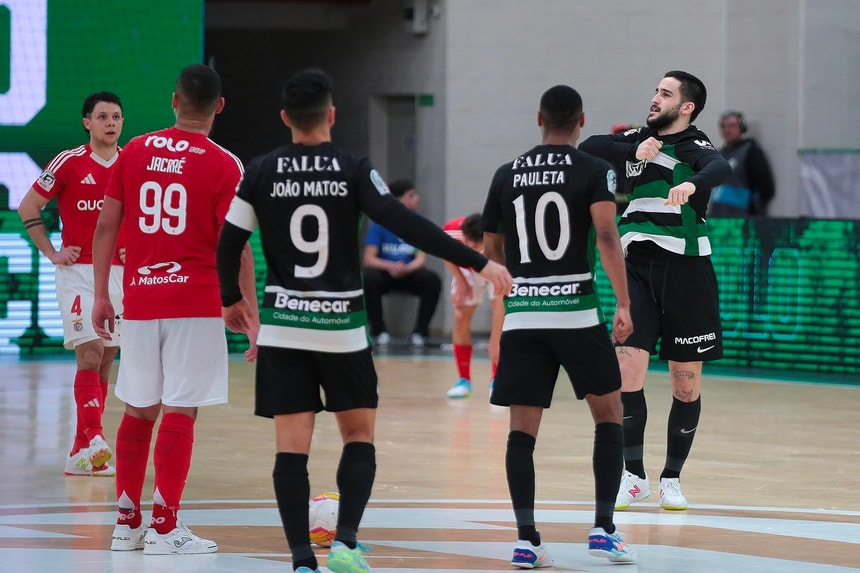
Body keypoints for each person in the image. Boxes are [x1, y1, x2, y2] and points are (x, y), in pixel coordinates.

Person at [215, 67, 512, 573]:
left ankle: (302, 560)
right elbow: (407, 223)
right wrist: (480, 260)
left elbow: (228, 244)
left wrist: (229, 300)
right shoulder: (351, 168)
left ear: (285, 117)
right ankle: (346, 543)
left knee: (291, 451)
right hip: (342, 332)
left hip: (285, 328)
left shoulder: (260, 171)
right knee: (358, 437)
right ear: (332, 114)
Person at [91, 64, 257, 555]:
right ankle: (165, 528)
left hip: (140, 298)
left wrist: (103, 292)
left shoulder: (135, 149)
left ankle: (126, 524)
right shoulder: (225, 163)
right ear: (219, 106)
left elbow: (105, 227)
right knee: (180, 410)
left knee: (138, 408)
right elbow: (238, 245)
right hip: (197, 301)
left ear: (173, 100)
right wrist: (247, 310)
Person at [483, 84, 638, 566]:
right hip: (576, 313)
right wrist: (625, 303)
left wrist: (520, 288)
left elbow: (491, 249)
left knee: (521, 433)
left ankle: (527, 539)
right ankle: (604, 528)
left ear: (538, 119)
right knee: (610, 416)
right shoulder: (595, 170)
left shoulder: (506, 173)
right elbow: (608, 235)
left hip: (524, 317)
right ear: (582, 121)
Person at [580, 70, 732, 512]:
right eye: (655, 90)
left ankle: (672, 479)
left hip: (687, 272)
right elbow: (590, 147)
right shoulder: (636, 138)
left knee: (686, 385)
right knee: (627, 375)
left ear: (686, 107)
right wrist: (634, 148)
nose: (654, 98)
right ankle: (633, 475)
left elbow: (720, 166)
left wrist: (693, 184)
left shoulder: (696, 146)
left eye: (665, 93)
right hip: (637, 273)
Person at [17, 91, 125, 477]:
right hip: (78, 274)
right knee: (90, 353)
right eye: (102, 117)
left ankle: (80, 452)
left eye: (116, 117)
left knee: (106, 362)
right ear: (87, 123)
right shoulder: (68, 162)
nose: (110, 123)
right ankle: (95, 437)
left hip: (118, 276)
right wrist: (51, 252)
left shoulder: (131, 164)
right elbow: (28, 206)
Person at [362, 180, 442, 348]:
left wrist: (406, 268)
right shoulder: (380, 224)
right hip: (385, 273)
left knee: (432, 280)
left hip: (408, 272)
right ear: (398, 200)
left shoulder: (418, 224)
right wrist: (390, 266)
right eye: (411, 195)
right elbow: (369, 259)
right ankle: (379, 332)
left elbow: (421, 258)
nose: (417, 199)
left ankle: (420, 333)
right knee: (368, 278)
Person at [441, 213, 505, 399]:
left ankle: (497, 378)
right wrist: (460, 280)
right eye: (473, 248)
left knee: (500, 322)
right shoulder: (451, 231)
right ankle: (463, 380)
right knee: (460, 316)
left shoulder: (501, 234)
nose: (477, 252)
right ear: (465, 238)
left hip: (497, 267)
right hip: (466, 269)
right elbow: (444, 253)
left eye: (480, 248)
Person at [710, 110, 776, 216]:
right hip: (718, 215)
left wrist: (755, 209)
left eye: (732, 126)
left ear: (742, 128)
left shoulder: (751, 152)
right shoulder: (718, 154)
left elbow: (765, 187)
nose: (727, 130)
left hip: (743, 216)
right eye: (723, 126)